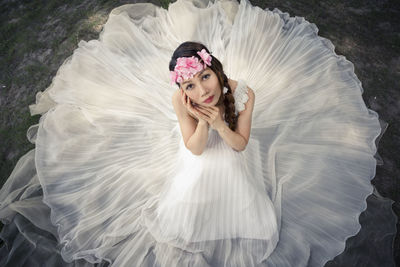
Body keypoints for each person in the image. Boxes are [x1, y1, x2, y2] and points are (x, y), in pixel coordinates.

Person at [0, 0, 397, 266]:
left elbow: (239, 145)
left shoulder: (243, 93)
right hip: (200, 150)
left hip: (231, 145)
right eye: (190, 85)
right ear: (182, 89)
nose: (202, 90)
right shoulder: (182, 102)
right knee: (194, 188)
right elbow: (193, 150)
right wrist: (204, 121)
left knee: (241, 191)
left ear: (217, 71)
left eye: (205, 77)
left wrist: (221, 121)